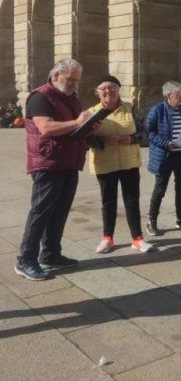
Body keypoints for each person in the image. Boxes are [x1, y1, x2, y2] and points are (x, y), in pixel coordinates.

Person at [15, 59, 91, 280]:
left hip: (69, 162)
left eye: (76, 81)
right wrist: (78, 122)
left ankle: (50, 254)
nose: (73, 85)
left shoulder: (70, 98)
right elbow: (46, 127)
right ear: (56, 75)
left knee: (60, 211)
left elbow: (75, 124)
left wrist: (88, 125)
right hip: (47, 164)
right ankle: (25, 259)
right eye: (70, 80)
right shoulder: (41, 97)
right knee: (41, 212)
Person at [87, 75, 154, 254]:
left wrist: (130, 138)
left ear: (118, 90)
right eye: (104, 89)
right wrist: (102, 141)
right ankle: (107, 238)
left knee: (132, 200)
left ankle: (137, 239)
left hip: (129, 162)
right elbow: (85, 139)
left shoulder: (131, 109)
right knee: (108, 202)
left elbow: (146, 133)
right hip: (104, 163)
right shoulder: (91, 113)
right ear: (97, 93)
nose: (108, 91)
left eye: (112, 88)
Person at [145, 81, 181, 236]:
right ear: (169, 96)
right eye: (178, 95)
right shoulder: (157, 110)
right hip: (165, 156)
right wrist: (166, 143)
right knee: (160, 189)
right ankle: (152, 220)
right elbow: (149, 133)